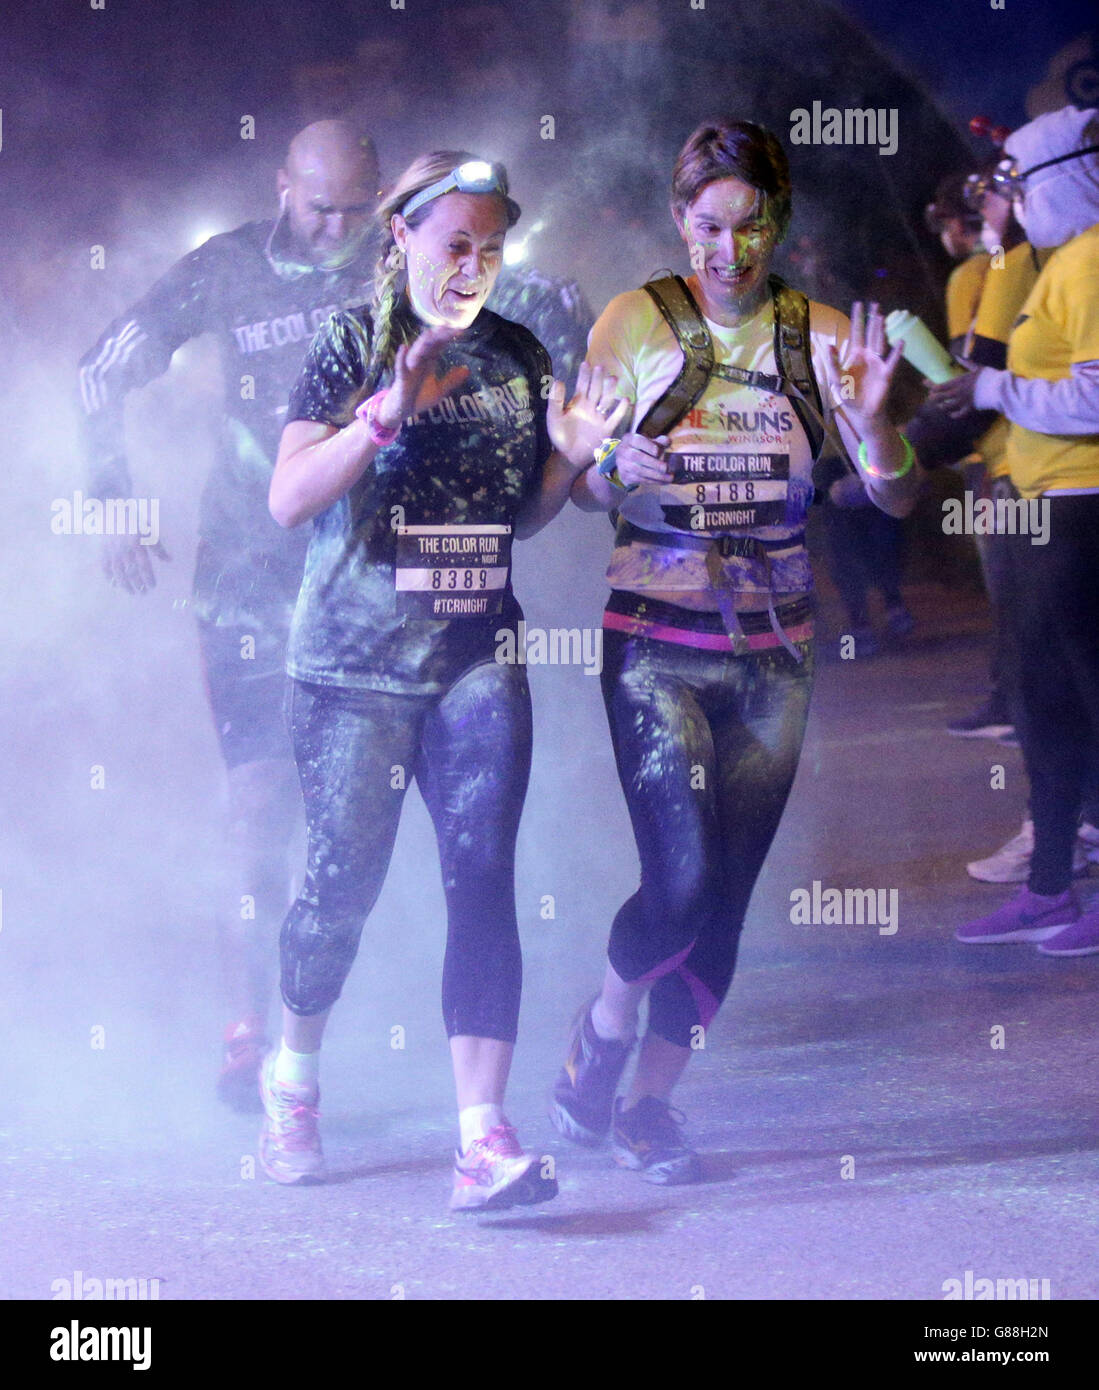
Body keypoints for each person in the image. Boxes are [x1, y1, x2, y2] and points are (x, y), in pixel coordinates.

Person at [550, 119, 919, 1182]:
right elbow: (577, 490)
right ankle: (603, 1030)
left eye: (752, 226)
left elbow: (891, 494)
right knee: (679, 879)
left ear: (780, 221)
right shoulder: (633, 322)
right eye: (709, 226)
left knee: (726, 896)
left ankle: (649, 1108)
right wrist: (616, 463)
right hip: (653, 643)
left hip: (773, 654)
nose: (730, 250)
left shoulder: (825, 335)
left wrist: (879, 426)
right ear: (680, 221)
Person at [261, 152, 628, 1208]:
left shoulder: (516, 355)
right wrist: (381, 416)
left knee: (482, 883)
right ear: (402, 241)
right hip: (350, 668)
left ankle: (482, 1137)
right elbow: (287, 498)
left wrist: (565, 458)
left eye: (490, 245)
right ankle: (295, 1077)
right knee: (340, 890)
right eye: (453, 242)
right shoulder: (347, 342)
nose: (474, 264)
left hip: (475, 657)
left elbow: (514, 521)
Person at [77, 121, 382, 1110]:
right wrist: (113, 494)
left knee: (357, 811)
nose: (336, 227)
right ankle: (247, 1031)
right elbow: (97, 370)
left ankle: (349, 1016)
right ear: (281, 182)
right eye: (318, 205)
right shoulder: (224, 267)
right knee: (256, 804)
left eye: (354, 209)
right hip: (247, 582)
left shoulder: (396, 259)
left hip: (368, 574)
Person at [932, 106, 1099, 957]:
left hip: (1082, 508)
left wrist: (994, 395)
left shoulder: (1094, 259)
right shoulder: (1060, 263)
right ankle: (1048, 891)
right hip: (1045, 507)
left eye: (1021, 185)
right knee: (1045, 705)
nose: (1014, 204)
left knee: (1081, 700)